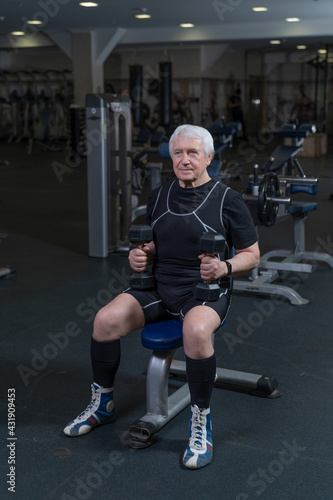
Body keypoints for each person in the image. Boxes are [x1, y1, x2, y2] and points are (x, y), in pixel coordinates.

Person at [63, 124, 260, 469]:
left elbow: (252, 254)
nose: (185, 160)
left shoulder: (229, 199)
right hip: (159, 287)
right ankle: (103, 404)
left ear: (210, 157)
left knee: (196, 332)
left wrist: (224, 268)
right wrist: (142, 255)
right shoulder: (160, 195)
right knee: (104, 320)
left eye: (193, 152)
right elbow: (155, 242)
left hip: (204, 290)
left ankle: (201, 421)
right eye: (178, 152)